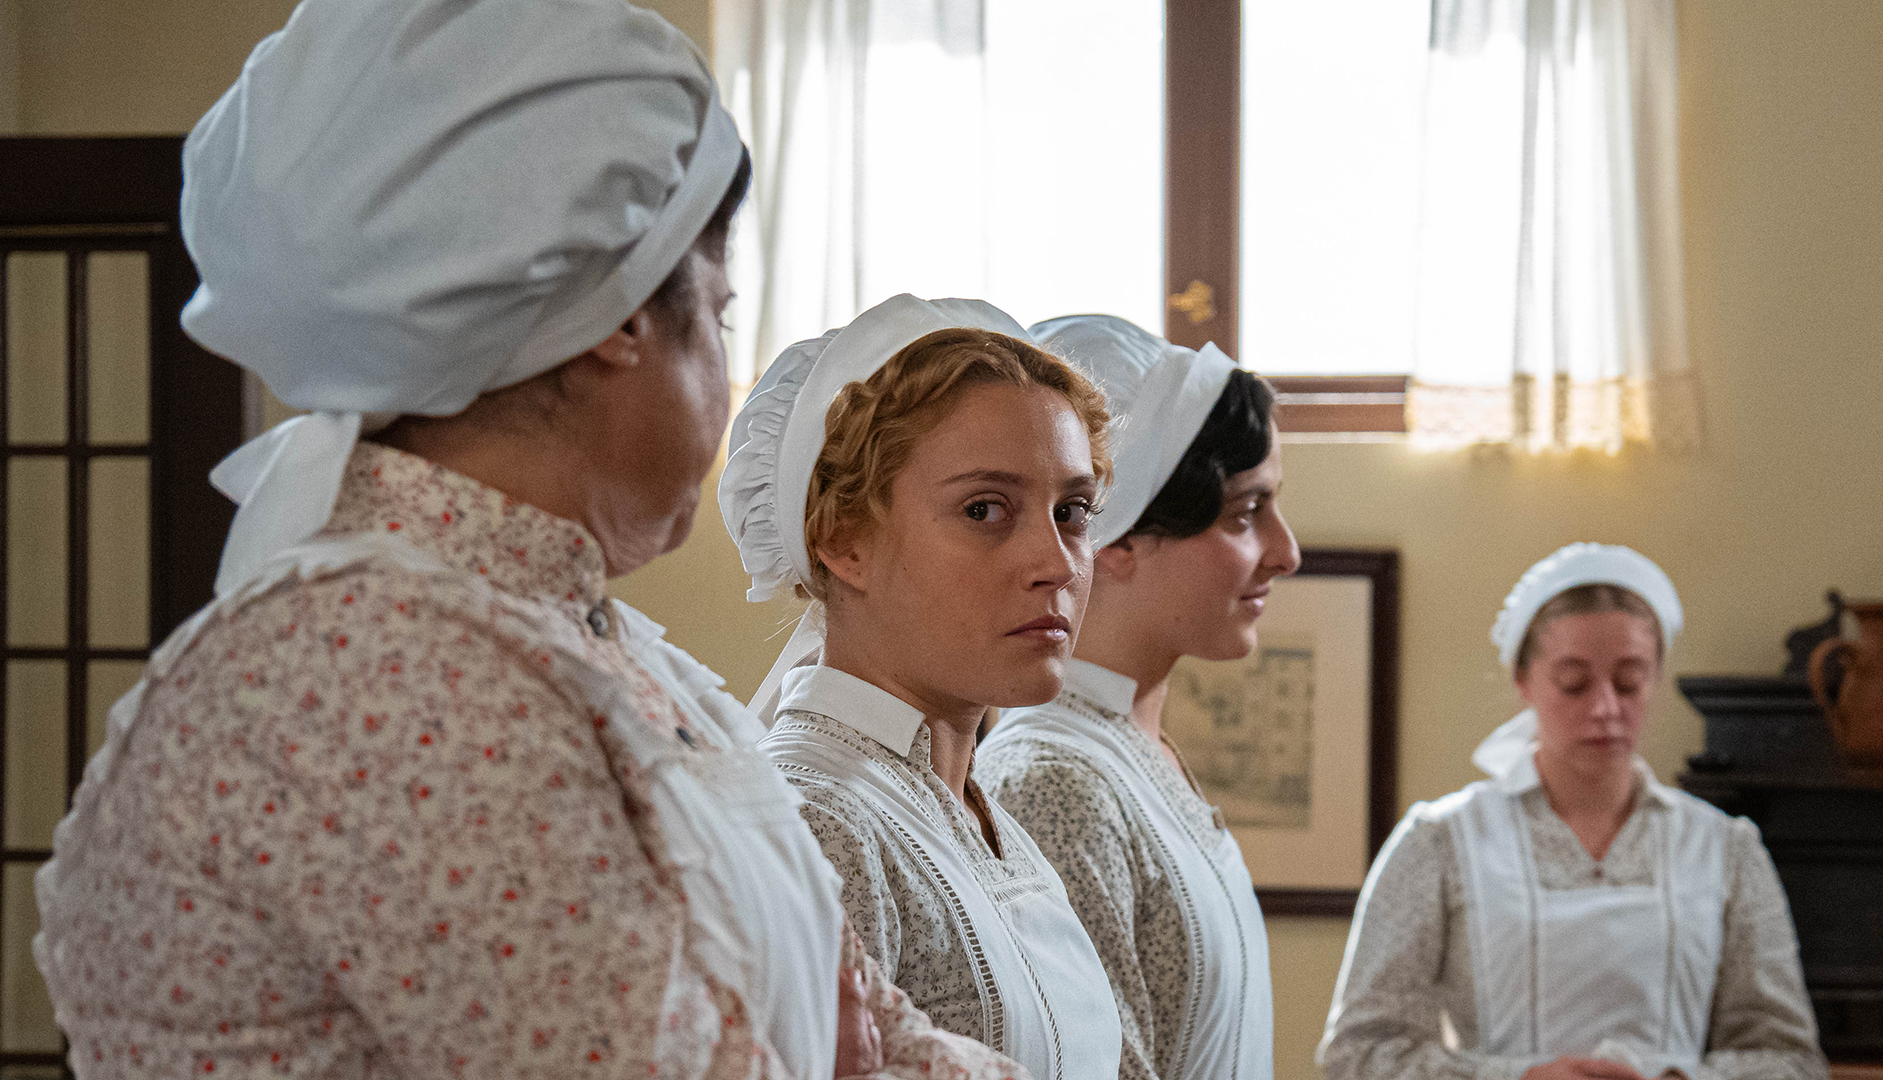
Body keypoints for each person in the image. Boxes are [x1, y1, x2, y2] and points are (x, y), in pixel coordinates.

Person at [31, 3, 1028, 1078]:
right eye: (720, 314)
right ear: (619, 322)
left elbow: (877, 1033)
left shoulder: (582, 647)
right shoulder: (391, 677)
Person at [718, 295, 1127, 1080]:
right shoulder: (819, 825)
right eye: (984, 509)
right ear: (841, 537)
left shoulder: (975, 815)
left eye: (1072, 511)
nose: (1057, 563)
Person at [1320, 544, 1828, 1080]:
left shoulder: (1725, 849)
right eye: (1573, 683)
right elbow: (1359, 1055)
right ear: (1522, 679)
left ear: (1657, 676)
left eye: (1629, 681)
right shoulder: (1440, 842)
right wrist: (1518, 1078)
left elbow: (1792, 1061)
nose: (1605, 707)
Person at [975, 315, 1296, 1080]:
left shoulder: (1128, 750)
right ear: (1116, 536)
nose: (1285, 552)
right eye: (1244, 514)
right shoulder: (1054, 784)